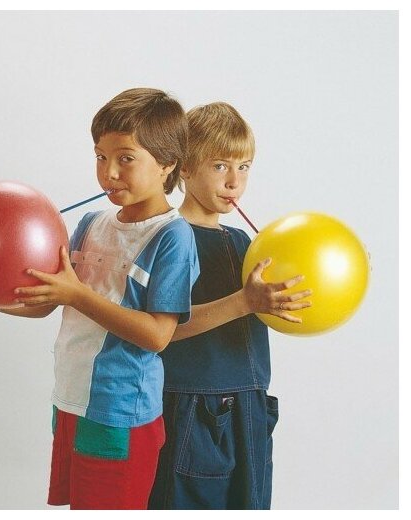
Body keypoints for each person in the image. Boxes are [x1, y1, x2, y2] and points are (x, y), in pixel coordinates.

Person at [0, 88, 200, 510]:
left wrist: (77, 294)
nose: (109, 172)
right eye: (100, 157)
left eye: (126, 158)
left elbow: (157, 336)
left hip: (119, 414)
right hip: (71, 401)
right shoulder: (91, 223)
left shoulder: (172, 236)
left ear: (167, 163)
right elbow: (46, 302)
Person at [148, 102, 312, 510]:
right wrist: (243, 302)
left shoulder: (244, 242)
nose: (234, 181)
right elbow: (159, 330)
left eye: (244, 167)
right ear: (185, 168)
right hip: (193, 410)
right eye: (220, 166)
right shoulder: (170, 237)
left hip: (248, 407)